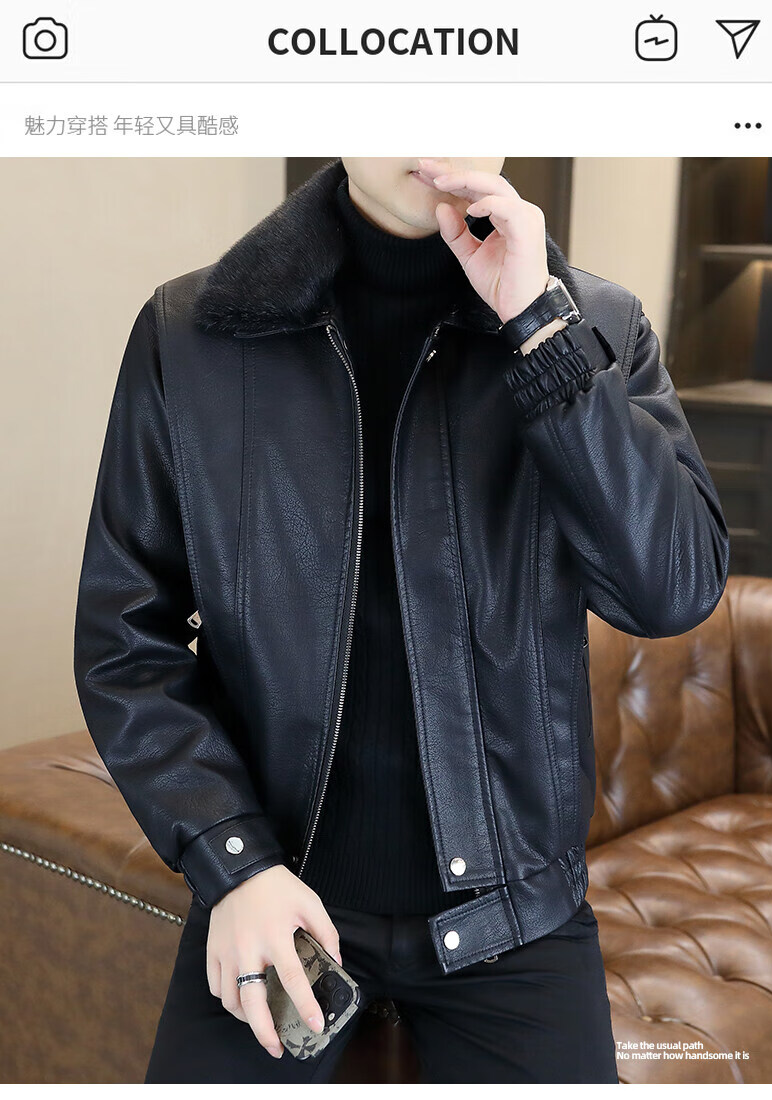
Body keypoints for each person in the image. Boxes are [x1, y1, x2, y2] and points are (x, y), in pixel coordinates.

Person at [73, 157, 729, 1083]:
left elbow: (672, 590)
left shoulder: (596, 325)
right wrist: (235, 862)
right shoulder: (191, 332)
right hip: (281, 895)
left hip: (516, 915)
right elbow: (124, 639)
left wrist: (540, 333)